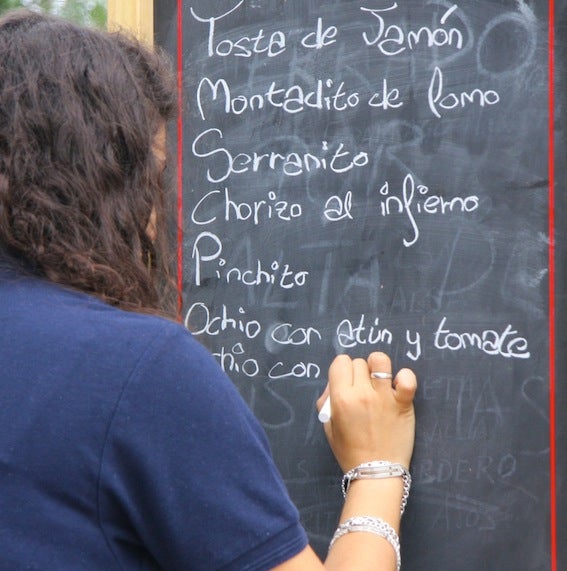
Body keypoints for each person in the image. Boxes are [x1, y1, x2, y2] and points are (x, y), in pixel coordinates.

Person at [0, 9, 417, 571]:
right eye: (152, 177)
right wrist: (377, 471)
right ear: (109, 186)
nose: (157, 219)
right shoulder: (136, 369)